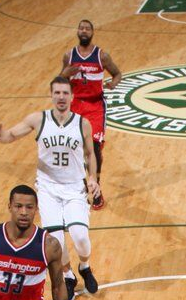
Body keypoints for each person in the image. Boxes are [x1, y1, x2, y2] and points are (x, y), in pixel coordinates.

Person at [0, 76, 100, 300]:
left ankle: (85, 266)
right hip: (48, 189)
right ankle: (68, 275)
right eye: (57, 93)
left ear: (72, 96)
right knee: (55, 241)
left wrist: (93, 178)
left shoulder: (82, 123)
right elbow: (10, 135)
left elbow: (90, 154)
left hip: (74, 187)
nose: (61, 97)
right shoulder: (38, 119)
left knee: (80, 236)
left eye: (65, 93)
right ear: (51, 95)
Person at [61, 18, 121, 210]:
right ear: (77, 32)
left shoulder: (102, 56)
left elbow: (117, 73)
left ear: (92, 32)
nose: (84, 31)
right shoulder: (69, 56)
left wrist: (113, 83)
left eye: (87, 28)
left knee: (94, 149)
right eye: (81, 28)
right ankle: (79, 186)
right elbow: (60, 80)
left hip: (95, 106)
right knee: (76, 150)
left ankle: (96, 188)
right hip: (76, 105)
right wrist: (65, 74)